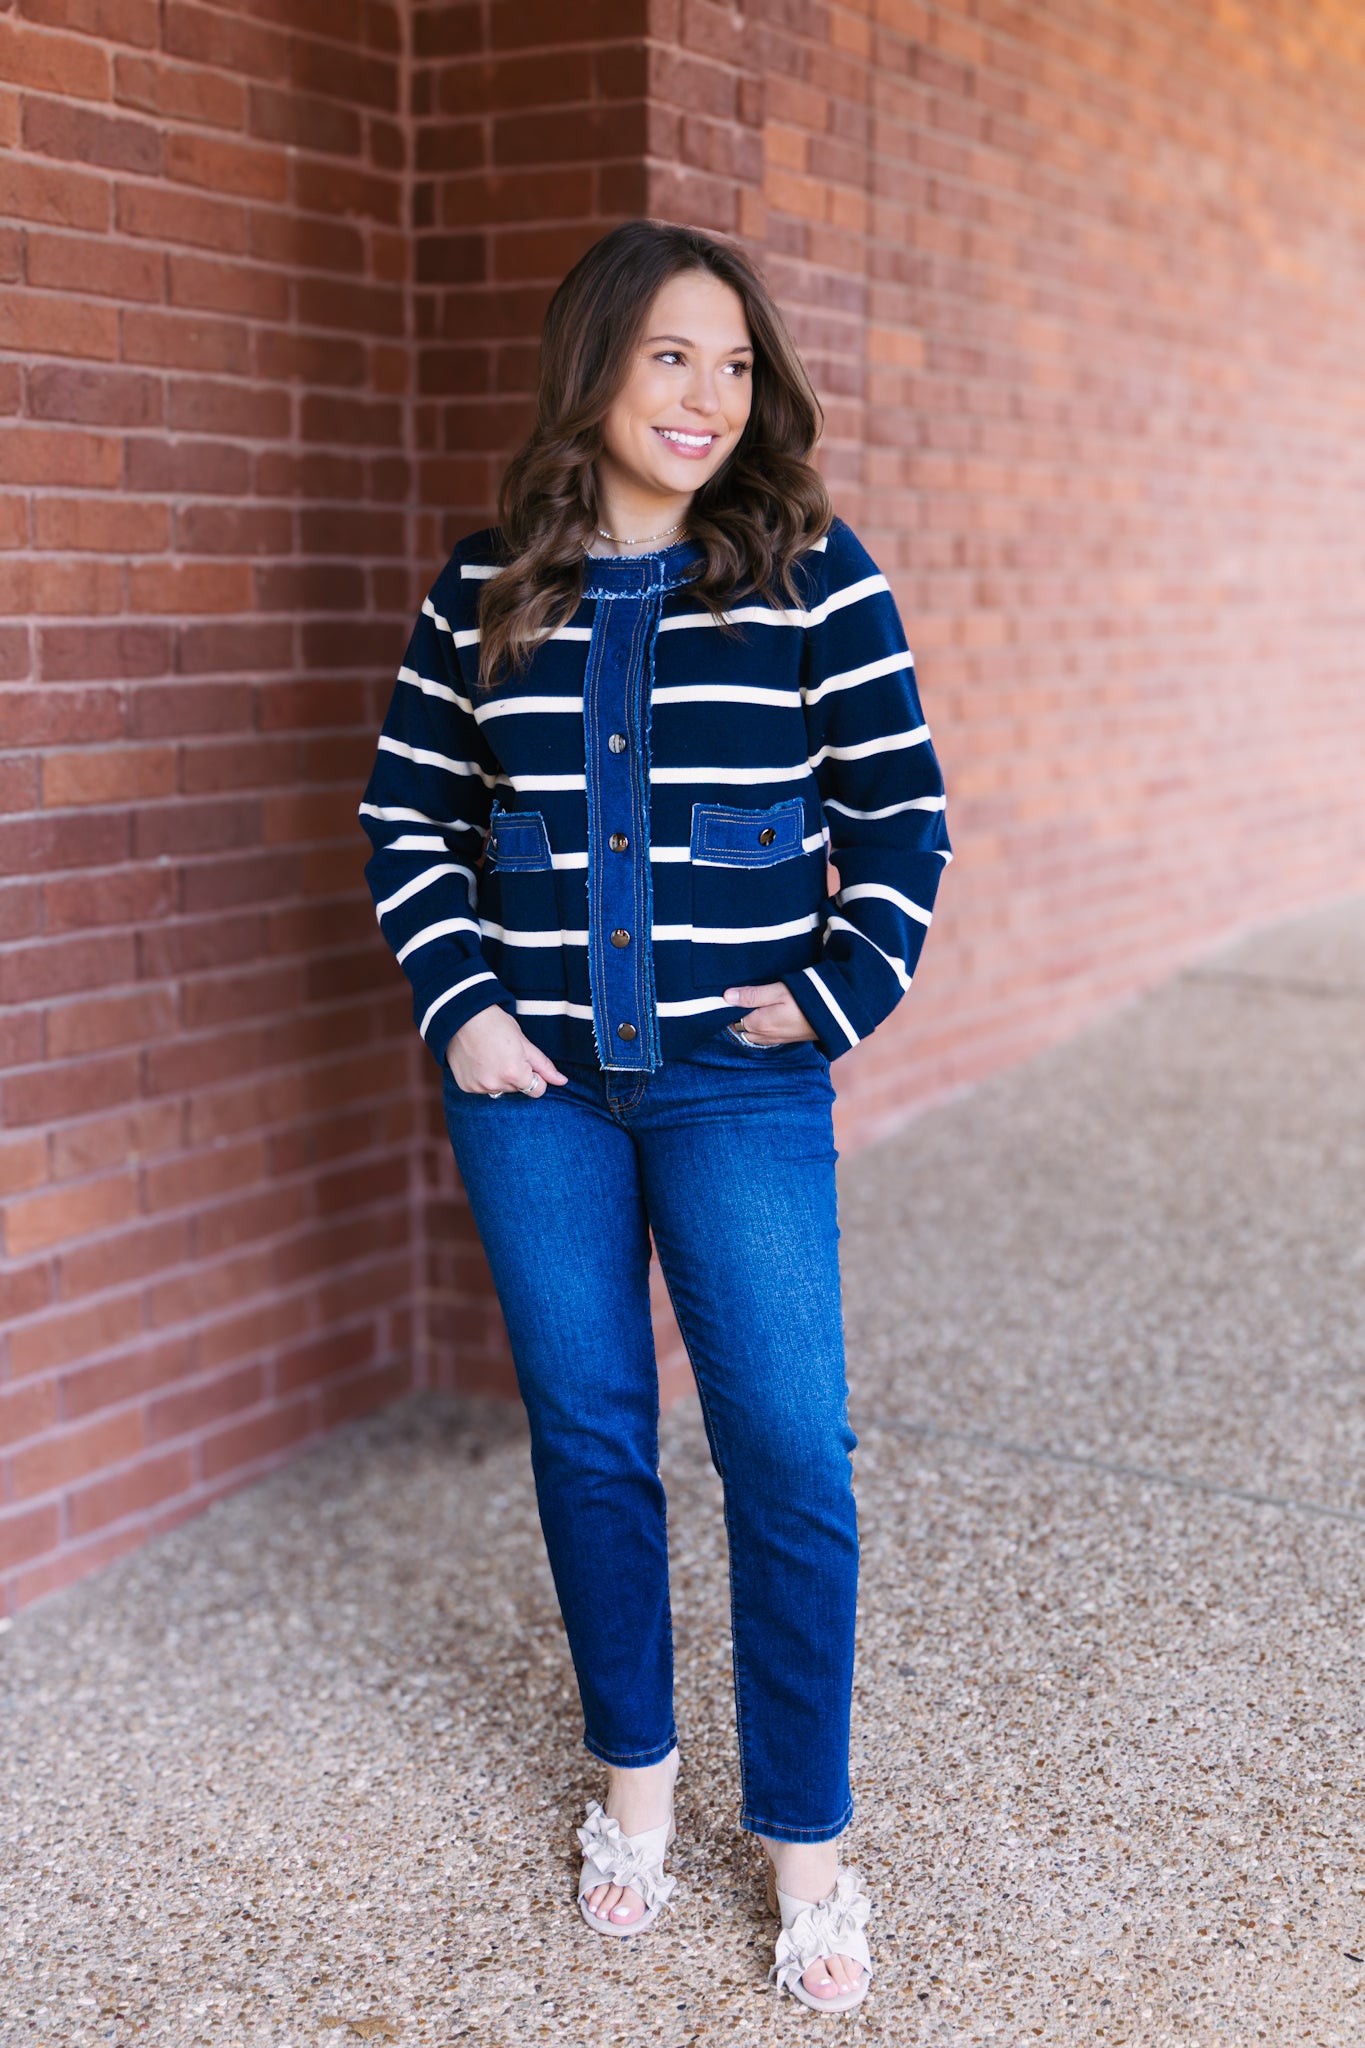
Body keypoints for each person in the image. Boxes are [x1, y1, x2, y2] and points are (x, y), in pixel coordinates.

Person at [359, 219, 950, 2015]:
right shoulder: (485, 586)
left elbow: (904, 819)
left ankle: (807, 1844)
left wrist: (834, 994)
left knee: (786, 1448)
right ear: (596, 370)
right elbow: (407, 824)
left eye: (735, 364)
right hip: (535, 1092)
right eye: (671, 357)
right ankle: (634, 1778)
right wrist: (460, 1007)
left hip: (736, 1088)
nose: (706, 396)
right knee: (594, 1436)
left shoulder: (808, 575)